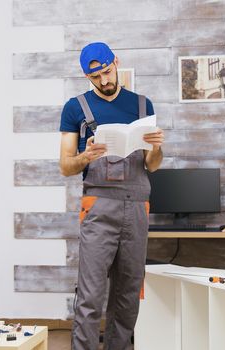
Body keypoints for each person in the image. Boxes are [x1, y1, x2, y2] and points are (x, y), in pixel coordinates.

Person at [59, 42, 164, 350]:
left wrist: (157, 147)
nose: (104, 82)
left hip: (137, 208)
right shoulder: (75, 108)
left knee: (128, 294)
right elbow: (66, 166)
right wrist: (85, 156)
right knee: (90, 295)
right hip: (98, 208)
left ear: (116, 62)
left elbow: (152, 166)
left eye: (106, 72)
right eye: (95, 78)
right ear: (86, 76)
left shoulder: (144, 106)